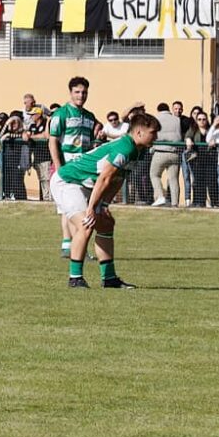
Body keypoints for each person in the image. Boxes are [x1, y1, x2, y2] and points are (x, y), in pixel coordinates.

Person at [51, 111, 160, 289]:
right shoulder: (125, 147)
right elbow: (104, 179)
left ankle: (109, 279)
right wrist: (92, 208)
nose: (156, 136)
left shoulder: (138, 151)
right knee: (86, 223)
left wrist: (104, 205)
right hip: (68, 182)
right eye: (153, 132)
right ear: (139, 132)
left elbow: (118, 179)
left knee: (106, 223)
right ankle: (75, 278)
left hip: (86, 185)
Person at [45, 77, 97, 263]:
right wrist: (59, 168)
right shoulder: (61, 114)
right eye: (77, 92)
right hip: (67, 168)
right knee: (70, 208)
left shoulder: (89, 117)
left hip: (84, 170)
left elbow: (90, 143)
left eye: (84, 92)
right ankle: (72, 245)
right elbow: (52, 141)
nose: (81, 95)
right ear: (70, 92)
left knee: (77, 208)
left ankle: (71, 245)